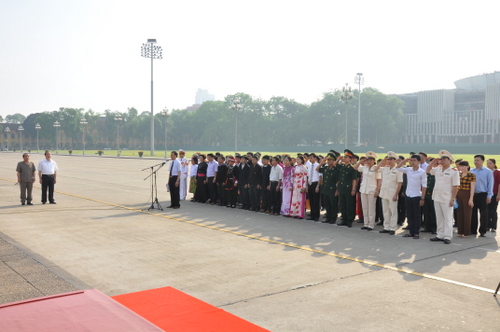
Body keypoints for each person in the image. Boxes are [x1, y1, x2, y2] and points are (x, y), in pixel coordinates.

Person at [427, 150, 460, 244]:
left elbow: (455, 186)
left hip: (447, 197)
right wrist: (433, 162)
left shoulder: (454, 172)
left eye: (445, 159)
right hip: (436, 196)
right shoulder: (438, 169)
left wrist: (453, 199)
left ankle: (447, 236)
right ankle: (440, 234)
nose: (442, 161)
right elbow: (428, 170)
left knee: (448, 218)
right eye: (441, 159)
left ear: (450, 161)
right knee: (439, 217)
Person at [396, 154, 427, 239]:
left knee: (416, 215)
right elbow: (397, 168)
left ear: (419, 162)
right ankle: (411, 232)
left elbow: (424, 186)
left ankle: (416, 232)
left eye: (414, 160)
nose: (412, 162)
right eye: (411, 160)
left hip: (417, 195)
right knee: (409, 214)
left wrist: (422, 198)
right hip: (408, 195)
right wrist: (405, 160)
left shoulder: (422, 172)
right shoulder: (408, 170)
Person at [354, 151, 381, 231]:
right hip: (363, 189)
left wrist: (377, 191)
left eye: (370, 160)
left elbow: (379, 181)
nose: (368, 161)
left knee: (371, 208)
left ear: (373, 160)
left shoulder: (376, 168)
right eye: (367, 159)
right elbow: (355, 167)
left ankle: (371, 225)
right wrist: (361, 162)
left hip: (372, 190)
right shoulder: (364, 167)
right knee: (364, 208)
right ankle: (366, 224)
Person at [378, 152, 403, 235]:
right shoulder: (384, 168)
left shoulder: (398, 170)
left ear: (395, 160)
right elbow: (376, 169)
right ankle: (386, 227)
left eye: (391, 159)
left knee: (393, 211)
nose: (389, 161)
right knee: (385, 210)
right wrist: (382, 161)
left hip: (392, 192)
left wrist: (396, 194)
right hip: (384, 192)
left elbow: (399, 183)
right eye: (388, 159)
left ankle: (393, 227)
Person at [470, 155, 494, 237]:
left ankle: (482, 230)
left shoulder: (488, 171)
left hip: (483, 194)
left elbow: (490, 184)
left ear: (482, 161)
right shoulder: (471, 171)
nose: (476, 162)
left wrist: (489, 196)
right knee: (473, 213)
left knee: (483, 213)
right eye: (475, 160)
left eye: (478, 160)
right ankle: (473, 230)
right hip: (473, 194)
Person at [336, 149, 359, 228]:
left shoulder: (352, 168)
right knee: (343, 205)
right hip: (342, 188)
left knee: (349, 205)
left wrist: (353, 189)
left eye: (346, 157)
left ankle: (349, 220)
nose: (344, 158)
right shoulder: (342, 167)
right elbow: (335, 164)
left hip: (349, 189)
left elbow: (354, 179)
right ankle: (344, 219)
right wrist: (339, 159)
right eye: (344, 157)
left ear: (350, 159)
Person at [456, 160, 476, 238]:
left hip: (467, 193)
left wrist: (471, 199)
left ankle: (466, 232)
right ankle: (460, 231)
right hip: (459, 193)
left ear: (467, 166)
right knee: (459, 213)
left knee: (467, 214)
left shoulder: (472, 175)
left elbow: (472, 188)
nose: (461, 168)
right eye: (460, 166)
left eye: (463, 166)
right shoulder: (459, 175)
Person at [318, 152, 339, 224]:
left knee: (333, 204)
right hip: (325, 188)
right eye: (328, 160)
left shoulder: (336, 170)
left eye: (330, 160)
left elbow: (338, 181)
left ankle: (333, 218)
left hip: (332, 189)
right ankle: (328, 217)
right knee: (327, 204)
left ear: (334, 161)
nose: (329, 162)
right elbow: (317, 169)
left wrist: (337, 190)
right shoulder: (326, 168)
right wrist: (322, 162)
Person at [486, 158, 500, 233]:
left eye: (490, 163)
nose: (488, 165)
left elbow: (499, 184)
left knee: (493, 210)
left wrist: (498, 194)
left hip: (494, 193)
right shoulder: (486, 172)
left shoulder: (497, 173)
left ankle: (493, 226)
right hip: (487, 193)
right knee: (487, 210)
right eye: (487, 163)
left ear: (494, 164)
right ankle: (487, 225)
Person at [307, 154, 321, 221]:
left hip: (315, 183)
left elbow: (320, 177)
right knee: (311, 200)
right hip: (310, 183)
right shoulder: (309, 166)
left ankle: (316, 215)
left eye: (311, 158)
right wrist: (307, 185)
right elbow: (308, 176)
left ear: (315, 158)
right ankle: (312, 214)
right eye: (310, 158)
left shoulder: (318, 165)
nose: (310, 159)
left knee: (316, 201)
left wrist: (318, 186)